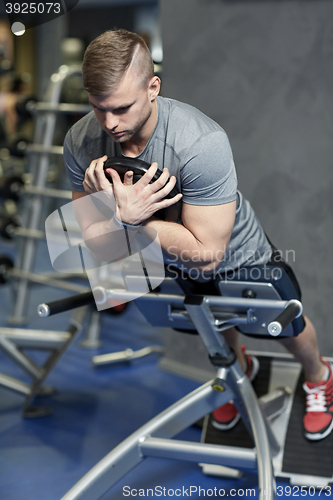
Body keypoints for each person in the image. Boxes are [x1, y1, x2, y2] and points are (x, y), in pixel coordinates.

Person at [63, 29, 333, 441]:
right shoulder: (81, 142)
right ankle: (238, 370)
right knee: (208, 323)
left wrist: (127, 219)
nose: (110, 123)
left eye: (121, 107)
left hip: (238, 253)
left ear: (153, 87)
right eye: (99, 108)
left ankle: (319, 376)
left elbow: (208, 253)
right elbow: (99, 249)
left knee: (284, 325)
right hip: (163, 258)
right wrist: (113, 219)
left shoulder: (199, 142)